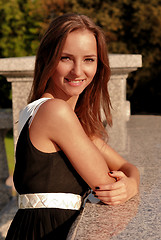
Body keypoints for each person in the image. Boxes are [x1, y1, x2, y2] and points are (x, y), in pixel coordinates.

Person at [6, 13, 140, 240]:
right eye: (65, 58)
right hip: (47, 232)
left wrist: (132, 183)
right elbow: (106, 186)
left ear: (99, 64)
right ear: (48, 59)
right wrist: (126, 185)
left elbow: (127, 167)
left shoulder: (52, 113)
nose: (78, 71)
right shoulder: (55, 112)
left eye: (89, 59)